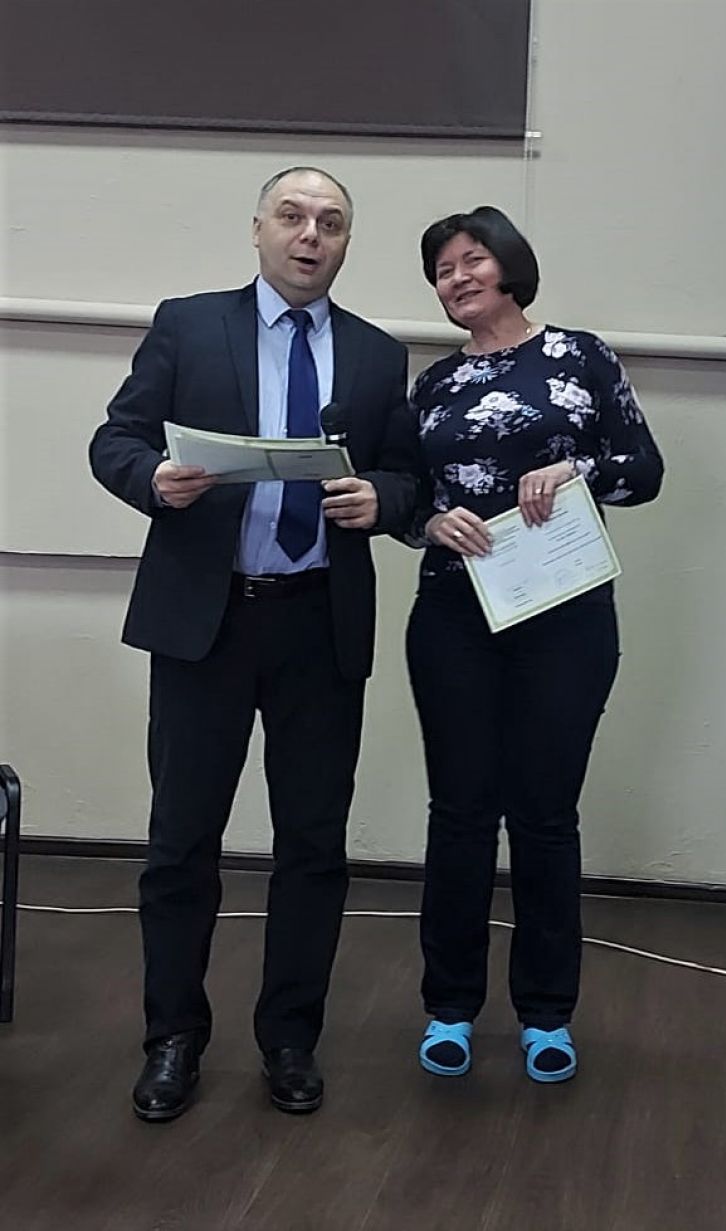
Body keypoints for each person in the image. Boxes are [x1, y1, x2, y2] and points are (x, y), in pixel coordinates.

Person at [89, 167, 417, 1122]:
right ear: (259, 230)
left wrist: (381, 498)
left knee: (313, 842)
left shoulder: (377, 355)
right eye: (293, 216)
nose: (310, 235)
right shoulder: (190, 325)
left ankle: (290, 1036)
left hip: (319, 622)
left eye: (331, 223)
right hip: (208, 620)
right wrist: (152, 478)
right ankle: (173, 1037)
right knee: (181, 839)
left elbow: (407, 477)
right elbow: (115, 438)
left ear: (346, 244)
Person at [404, 206, 664, 1083]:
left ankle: (547, 1014)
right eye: (443, 270)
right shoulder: (433, 384)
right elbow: (406, 496)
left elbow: (645, 470)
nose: (457, 278)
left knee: (545, 814)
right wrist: (428, 521)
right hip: (454, 614)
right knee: (459, 811)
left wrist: (577, 468)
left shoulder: (579, 356)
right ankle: (449, 1006)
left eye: (472, 259)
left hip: (564, 612)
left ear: (510, 265)